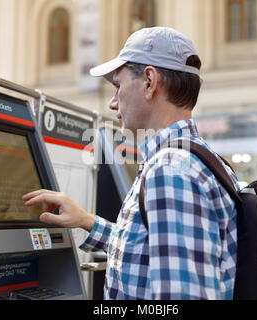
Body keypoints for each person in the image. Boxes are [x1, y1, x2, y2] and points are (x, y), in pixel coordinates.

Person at [23, 27, 240, 299]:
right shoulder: (199, 159)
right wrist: (87, 220)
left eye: (118, 86)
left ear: (149, 81)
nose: (113, 103)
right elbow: (151, 253)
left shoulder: (170, 171)